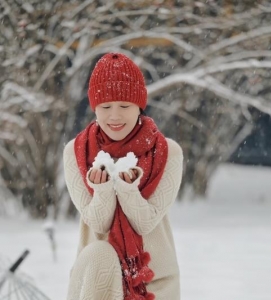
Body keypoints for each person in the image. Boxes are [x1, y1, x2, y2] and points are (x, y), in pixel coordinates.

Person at [63, 52, 183, 300]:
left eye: (125, 106)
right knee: (101, 253)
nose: (114, 116)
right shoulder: (76, 152)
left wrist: (128, 189)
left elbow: (144, 223)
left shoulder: (167, 152)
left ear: (139, 105)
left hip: (153, 283)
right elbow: (98, 224)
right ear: (94, 107)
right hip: (95, 282)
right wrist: (104, 189)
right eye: (105, 107)